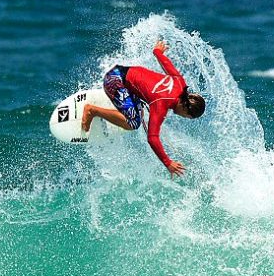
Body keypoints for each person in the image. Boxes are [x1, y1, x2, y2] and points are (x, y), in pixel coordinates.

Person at [81, 40, 206, 177]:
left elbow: (165, 63)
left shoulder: (180, 82)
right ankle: (93, 111)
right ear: (185, 108)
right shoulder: (161, 104)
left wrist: (158, 51)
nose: (182, 116)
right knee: (133, 123)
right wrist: (167, 162)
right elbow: (152, 138)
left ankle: (115, 108)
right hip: (114, 81)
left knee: (141, 113)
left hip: (122, 72)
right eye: (186, 116)